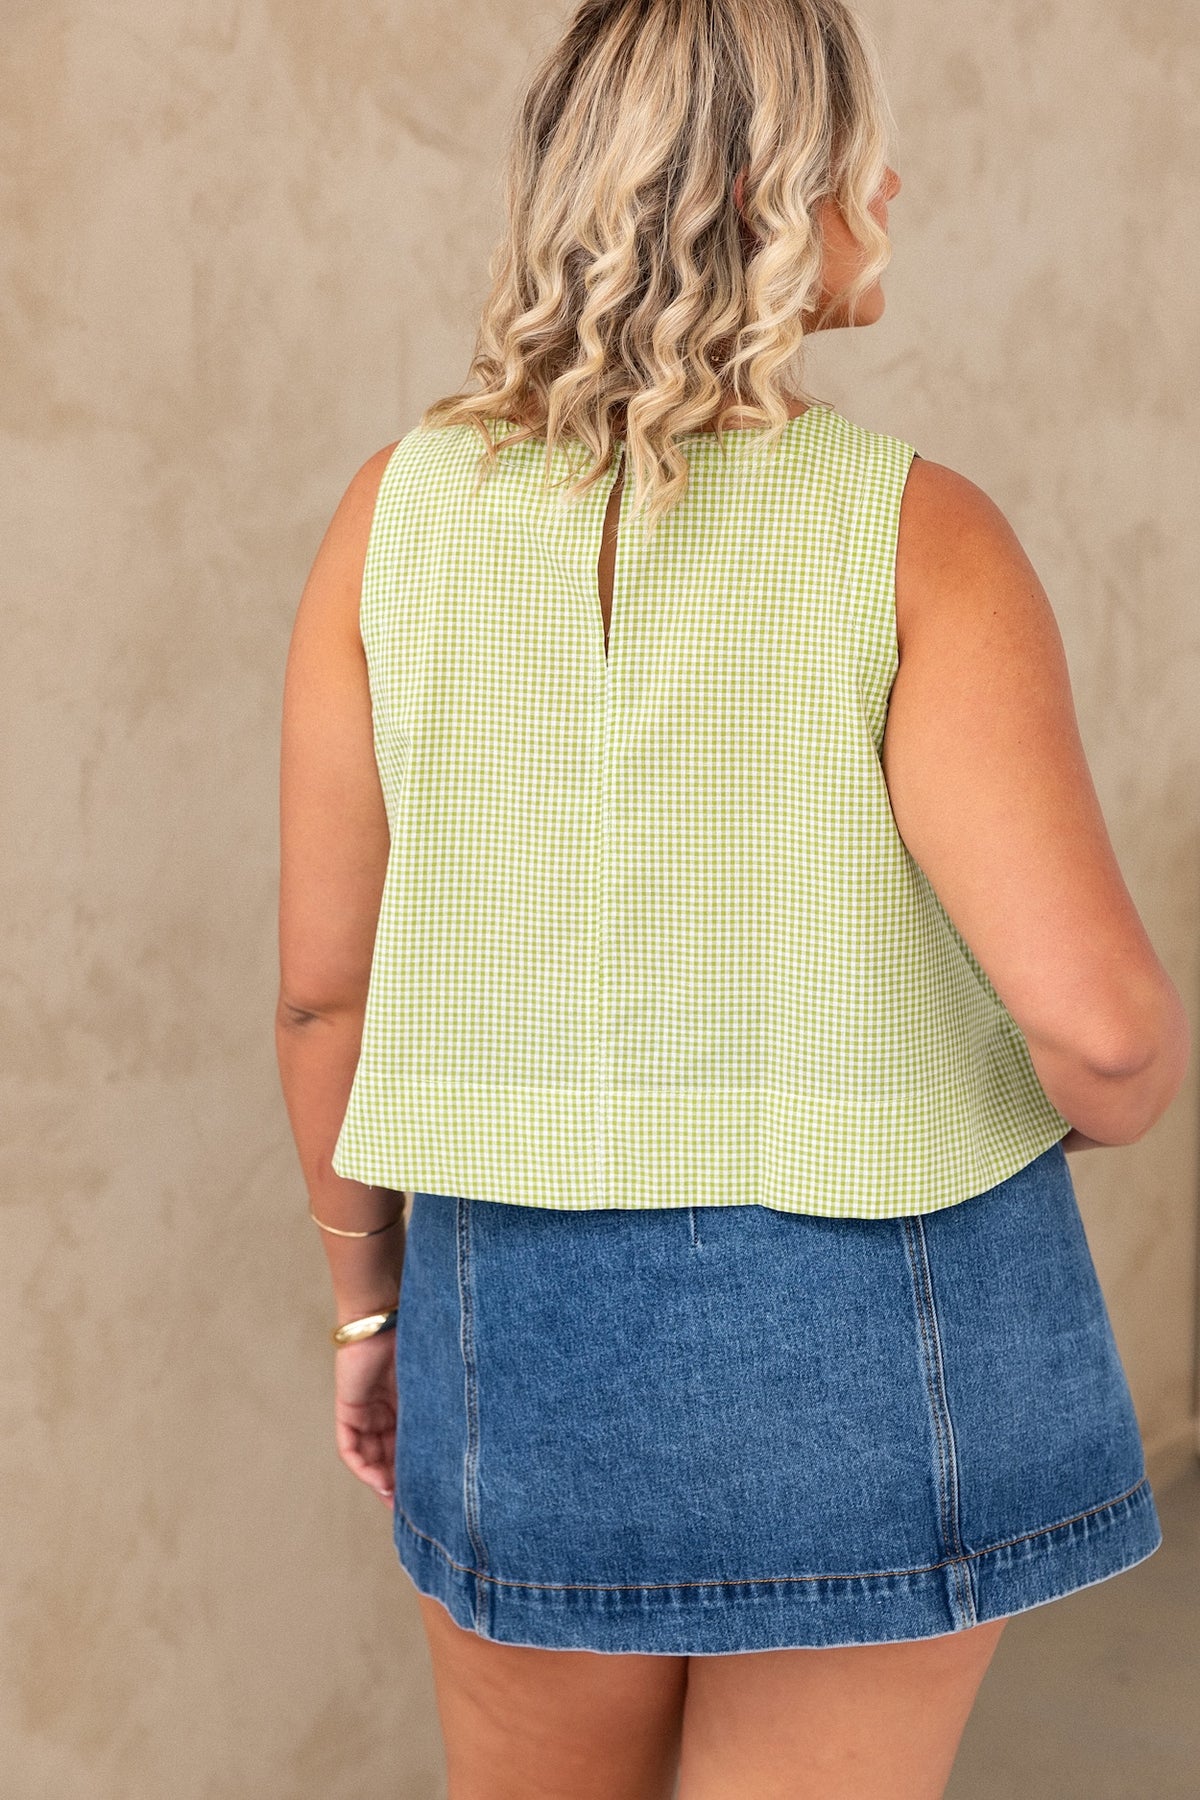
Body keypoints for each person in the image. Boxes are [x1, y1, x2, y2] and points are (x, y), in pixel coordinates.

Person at [275, 1, 1191, 1794]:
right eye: (864, 161)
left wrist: (371, 1315)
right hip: (881, 1333)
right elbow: (1104, 1038)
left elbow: (327, 998)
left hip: (510, 1317)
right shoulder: (917, 533)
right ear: (777, 193)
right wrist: (1075, 1102)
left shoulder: (390, 519)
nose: (890, 193)